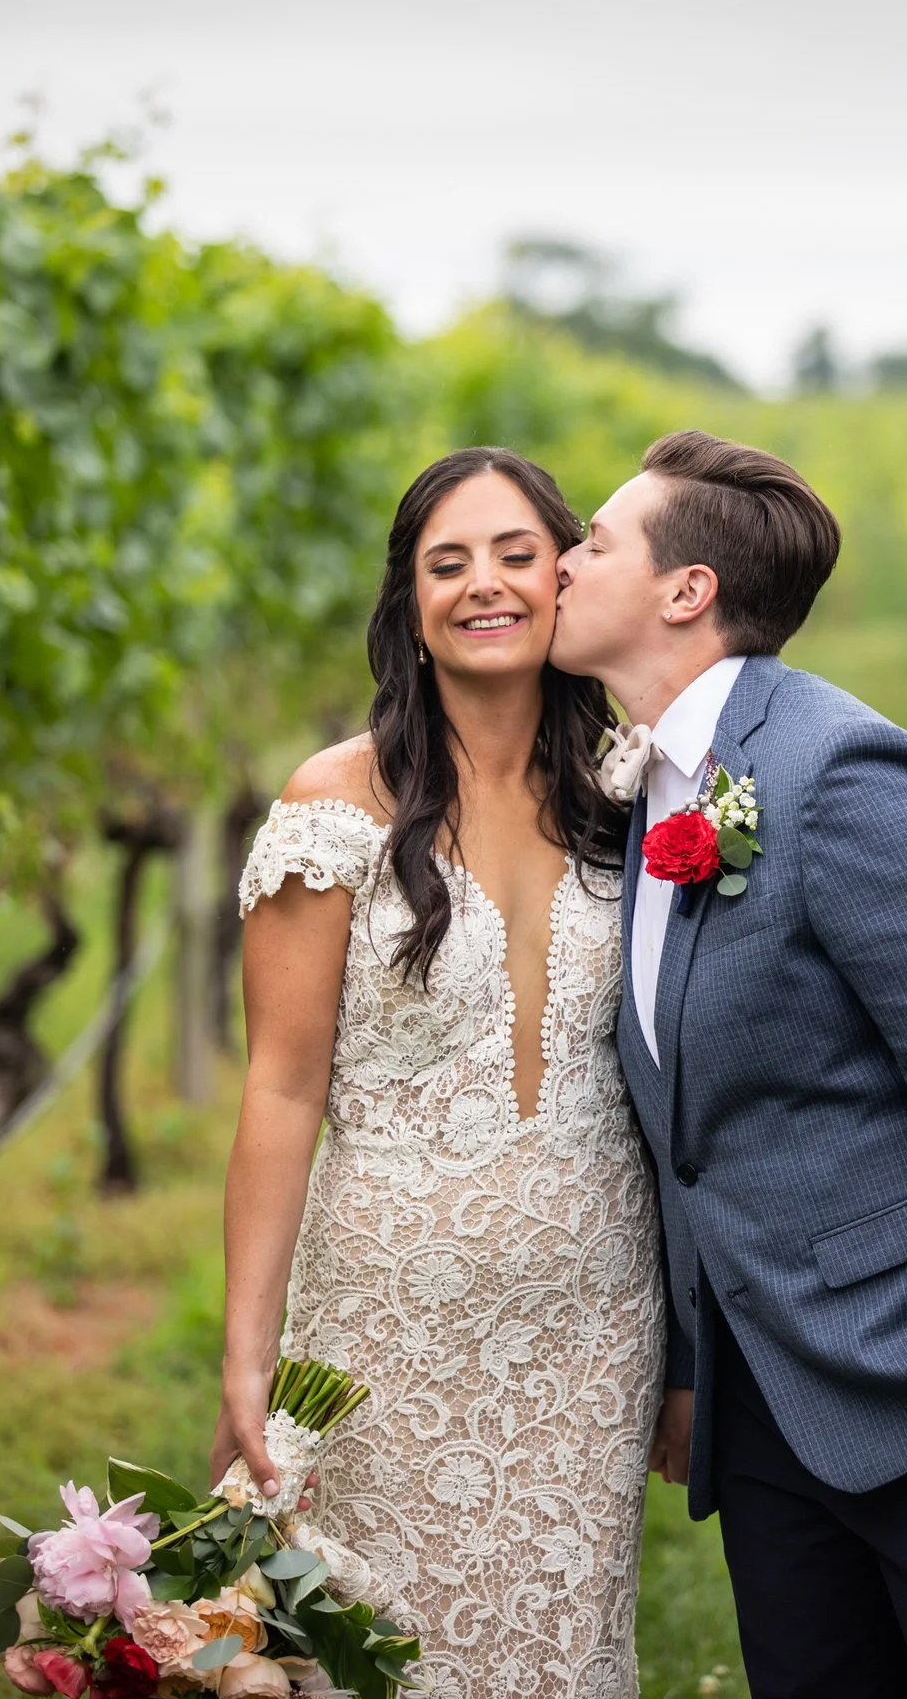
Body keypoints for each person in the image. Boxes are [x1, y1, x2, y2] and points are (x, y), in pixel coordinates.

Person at [551, 429, 907, 1699]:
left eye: (591, 542)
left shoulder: (836, 768)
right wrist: (696, 1365)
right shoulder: (647, 783)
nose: (559, 565)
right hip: (765, 1400)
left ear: (684, 589)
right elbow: (693, 1122)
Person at [213, 448, 665, 1699]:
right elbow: (281, 1088)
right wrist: (247, 1352)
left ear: (563, 576)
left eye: (516, 553)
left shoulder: (633, 788)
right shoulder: (336, 801)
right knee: (383, 1658)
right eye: (446, 562)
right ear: (408, 605)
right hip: (385, 1330)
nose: (485, 584)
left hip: (593, 1326)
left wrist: (693, 1352)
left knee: (564, 1650)